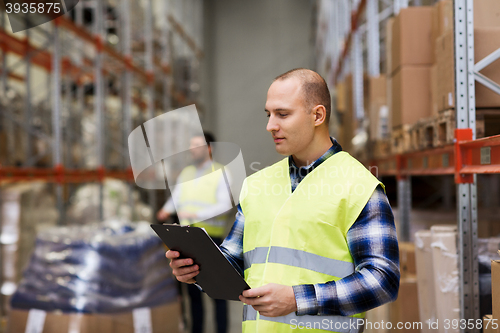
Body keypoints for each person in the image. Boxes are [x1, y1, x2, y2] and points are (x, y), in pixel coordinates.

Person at [167, 69, 400, 333]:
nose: (270, 126)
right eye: (269, 115)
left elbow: (383, 280)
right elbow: (233, 257)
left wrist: (297, 299)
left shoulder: (358, 185)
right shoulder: (257, 184)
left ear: (318, 115)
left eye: (283, 114)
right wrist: (197, 269)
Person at [158, 132, 229, 333]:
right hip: (188, 238)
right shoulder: (187, 173)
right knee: (193, 290)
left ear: (209, 148)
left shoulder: (220, 172)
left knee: (219, 291)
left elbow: (224, 205)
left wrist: (196, 213)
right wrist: (165, 210)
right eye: (191, 145)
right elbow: (177, 197)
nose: (192, 149)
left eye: (197, 145)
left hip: (211, 237)